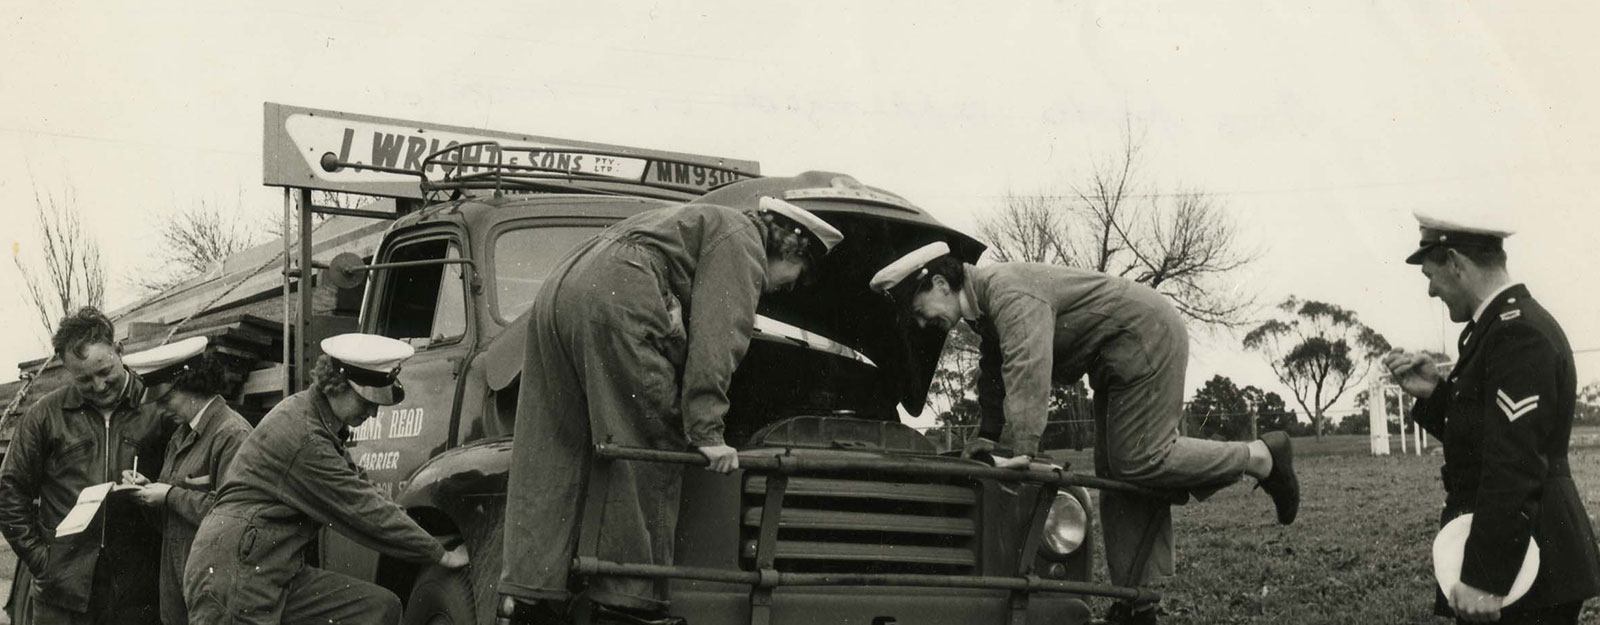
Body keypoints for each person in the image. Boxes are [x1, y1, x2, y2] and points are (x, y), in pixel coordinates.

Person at [868, 243, 1298, 625]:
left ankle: (1261, 456)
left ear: (941, 283)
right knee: (1118, 472)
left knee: (1142, 458)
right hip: (1116, 356)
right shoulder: (984, 308)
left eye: (921, 312)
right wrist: (988, 436)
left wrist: (1021, 450)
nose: (925, 324)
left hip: (1145, 337)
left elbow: (1028, 366)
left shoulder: (1008, 291)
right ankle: (1137, 604)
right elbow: (994, 374)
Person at [499, 196, 844, 625]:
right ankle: (626, 606)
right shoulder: (743, 242)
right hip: (623, 292)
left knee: (553, 444)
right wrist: (707, 433)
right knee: (648, 443)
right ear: (792, 248)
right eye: (794, 279)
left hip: (562, 289)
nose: (781, 290)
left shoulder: (699, 222)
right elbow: (718, 339)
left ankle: (529, 597)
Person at [1382, 211, 1600, 624]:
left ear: (1457, 264)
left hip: (1530, 566)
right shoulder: (1499, 326)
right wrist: (1435, 395)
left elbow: (1514, 461)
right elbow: (1489, 436)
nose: (1430, 291)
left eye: (1430, 274)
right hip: (1526, 553)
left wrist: (1486, 576)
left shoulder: (1517, 332)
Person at [182, 333, 469, 625]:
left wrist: (419, 533)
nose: (372, 412)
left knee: (377, 608)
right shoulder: (305, 437)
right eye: (366, 401)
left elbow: (363, 487)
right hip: (235, 575)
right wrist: (439, 553)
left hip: (274, 568)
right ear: (339, 386)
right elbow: (361, 507)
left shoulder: (318, 418)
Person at [0, 306, 169, 625]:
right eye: (84, 379)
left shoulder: (156, 409)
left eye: (105, 371)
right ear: (67, 370)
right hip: (63, 598)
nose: (99, 385)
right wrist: (44, 562)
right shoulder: (44, 415)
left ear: (119, 350)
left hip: (138, 592)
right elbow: (9, 493)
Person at [116, 336, 252, 625]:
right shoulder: (180, 436)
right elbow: (170, 516)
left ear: (192, 386)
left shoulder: (232, 434)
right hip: (180, 586)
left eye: (165, 400)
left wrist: (168, 496)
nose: (161, 410)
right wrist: (145, 490)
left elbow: (237, 516)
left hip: (213, 588)